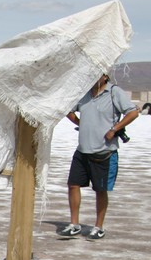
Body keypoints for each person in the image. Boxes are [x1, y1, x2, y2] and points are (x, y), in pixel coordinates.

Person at [59, 72, 139, 240]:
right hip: (82, 150)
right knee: (73, 184)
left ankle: (98, 226)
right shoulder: (84, 94)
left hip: (104, 152)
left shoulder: (113, 92)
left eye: (97, 74)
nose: (93, 78)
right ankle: (74, 224)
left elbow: (132, 113)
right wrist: (81, 123)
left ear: (105, 76)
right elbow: (68, 110)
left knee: (100, 190)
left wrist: (114, 129)